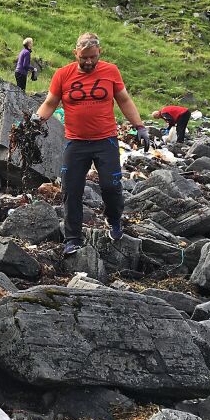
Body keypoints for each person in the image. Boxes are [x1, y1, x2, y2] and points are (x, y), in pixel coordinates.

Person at [30, 32, 149, 257]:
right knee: (71, 189)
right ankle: (73, 238)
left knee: (111, 186)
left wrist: (139, 126)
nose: (88, 62)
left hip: (106, 140)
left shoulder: (111, 71)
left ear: (99, 53)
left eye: (92, 57)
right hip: (76, 142)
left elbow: (123, 99)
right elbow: (50, 103)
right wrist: (35, 122)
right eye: (83, 58)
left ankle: (114, 220)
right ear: (75, 53)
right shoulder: (62, 75)